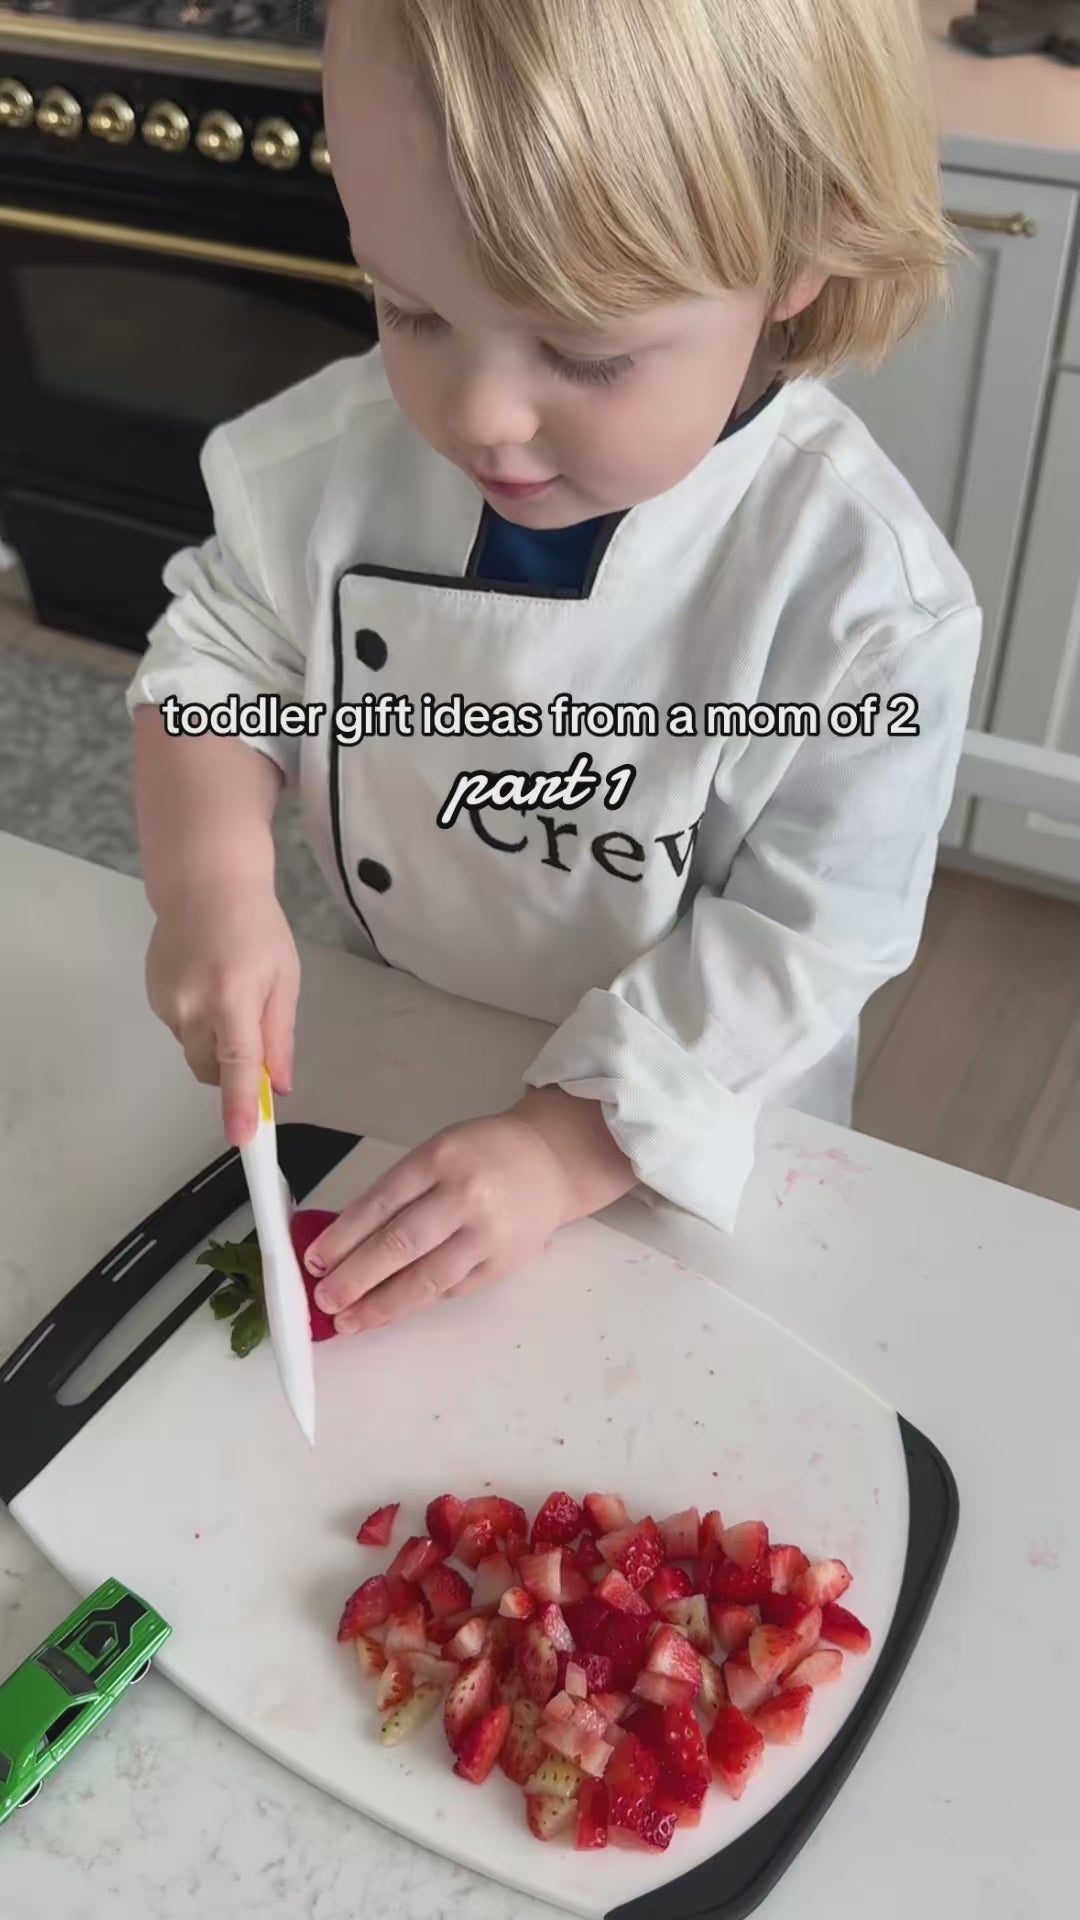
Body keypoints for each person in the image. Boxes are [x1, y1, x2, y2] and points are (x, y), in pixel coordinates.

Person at [127, 0, 980, 1337]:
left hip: (678, 1132)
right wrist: (212, 885)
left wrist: (565, 1145)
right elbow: (219, 659)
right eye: (411, 311)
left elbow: (806, 938)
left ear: (799, 257)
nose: (478, 414)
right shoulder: (326, 464)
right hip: (393, 1044)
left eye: (585, 350)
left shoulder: (867, 601)